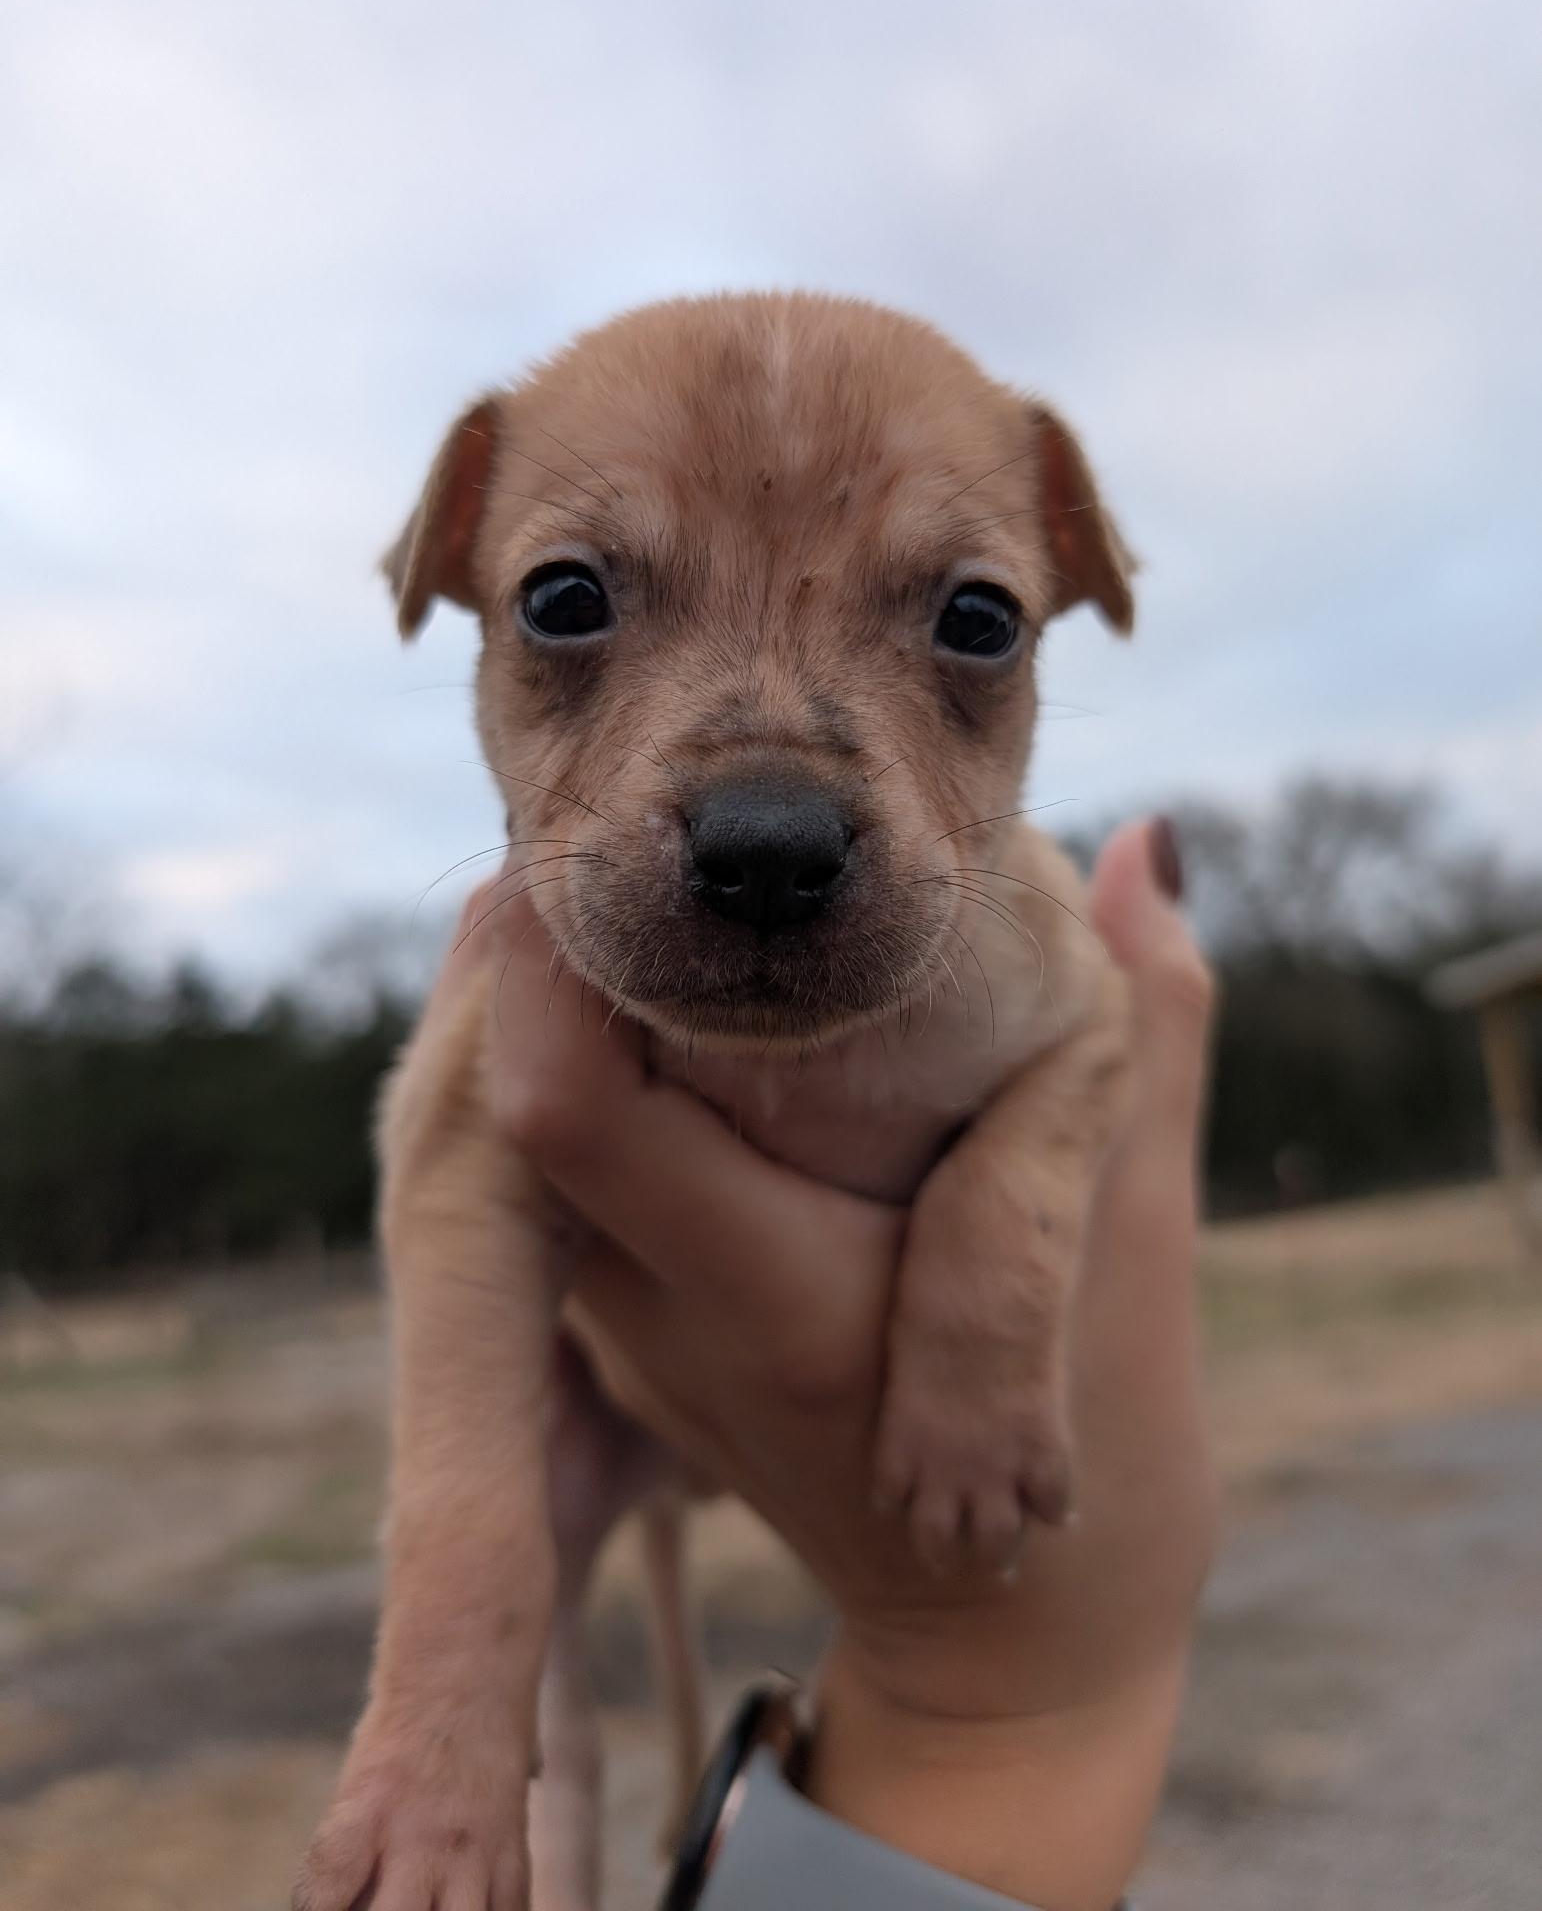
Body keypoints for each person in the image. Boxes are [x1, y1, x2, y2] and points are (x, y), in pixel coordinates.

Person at [453, 818, 1217, 1909]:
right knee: (529, 1686)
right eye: (571, 627)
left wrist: (993, 1264)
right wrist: (1021, 1698)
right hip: (593, 1383)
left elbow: (1093, 1033)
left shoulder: (1013, 934)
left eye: (973, 630)